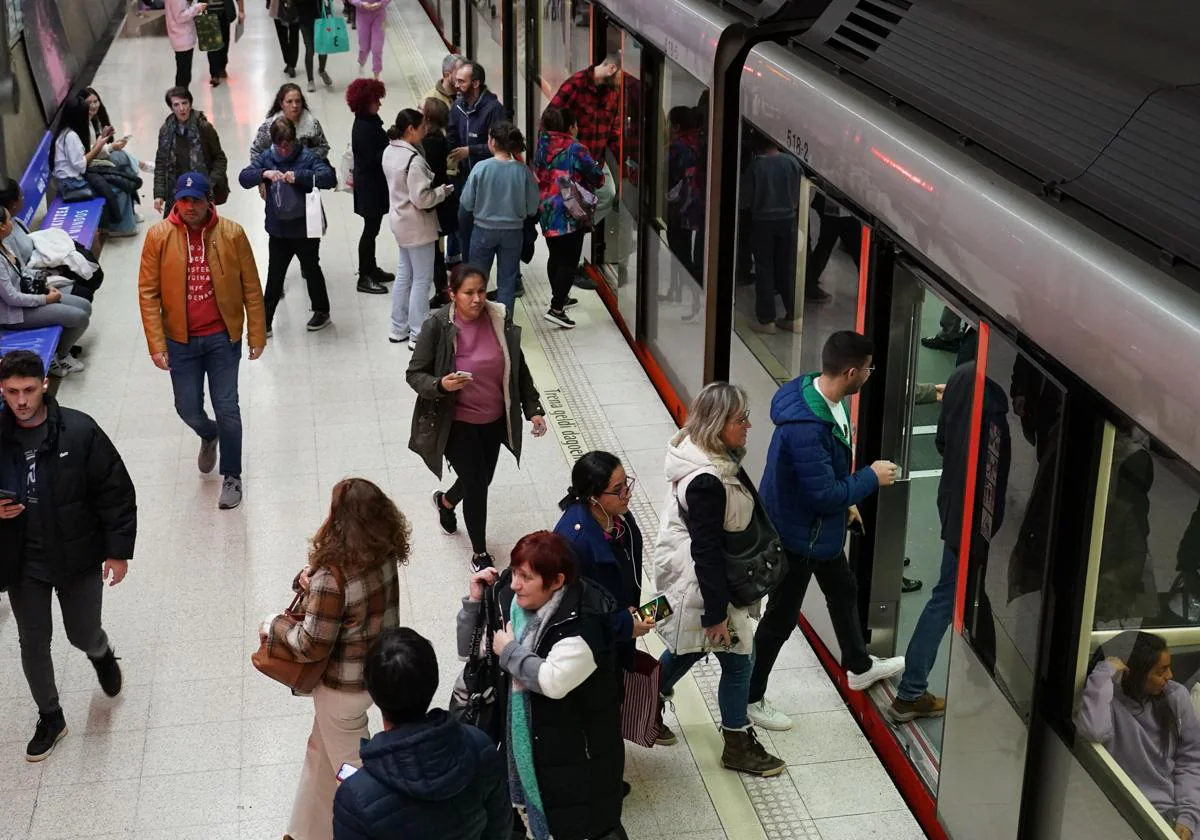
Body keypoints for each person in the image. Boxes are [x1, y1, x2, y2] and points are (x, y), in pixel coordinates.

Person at [746, 331, 905, 733]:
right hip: (799, 538)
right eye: (868, 369)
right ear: (852, 372)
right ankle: (750, 697)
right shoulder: (808, 426)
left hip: (819, 531)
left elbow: (823, 480)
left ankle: (859, 666)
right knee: (780, 620)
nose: (870, 374)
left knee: (843, 590)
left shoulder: (820, 398)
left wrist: (845, 502)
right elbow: (821, 493)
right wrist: (869, 478)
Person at [0, 350, 135, 762]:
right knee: (33, 642)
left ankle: (100, 651)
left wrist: (117, 553)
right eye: (10, 392)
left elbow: (115, 491)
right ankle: (51, 716)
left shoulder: (79, 430)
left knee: (81, 632)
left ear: (44, 384)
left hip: (77, 554)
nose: (20, 401)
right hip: (24, 561)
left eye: (27, 390)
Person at [259, 478, 407, 840]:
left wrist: (273, 626)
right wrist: (310, 583)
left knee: (352, 772)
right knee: (319, 754)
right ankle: (305, 832)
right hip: (376, 673)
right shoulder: (384, 552)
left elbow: (310, 644)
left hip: (341, 691)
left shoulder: (332, 573)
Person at [651, 382, 787, 776]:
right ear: (716, 424)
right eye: (739, 419)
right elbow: (706, 551)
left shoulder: (707, 457)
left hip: (699, 578)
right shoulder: (707, 479)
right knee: (740, 661)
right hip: (706, 584)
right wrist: (714, 613)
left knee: (688, 648)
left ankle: (643, 702)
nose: (748, 425)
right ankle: (737, 745)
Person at [458, 533, 625, 840]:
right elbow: (470, 652)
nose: (514, 584)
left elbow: (552, 680)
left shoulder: (584, 627)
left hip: (576, 754)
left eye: (526, 577)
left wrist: (509, 652)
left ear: (557, 581)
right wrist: (475, 603)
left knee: (577, 822)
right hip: (529, 742)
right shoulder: (511, 602)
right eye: (515, 572)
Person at [138, 172, 266, 510]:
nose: (190, 206)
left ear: (210, 201)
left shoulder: (232, 234)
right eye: (184, 200)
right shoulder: (158, 237)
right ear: (175, 201)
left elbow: (251, 287)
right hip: (180, 341)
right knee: (187, 407)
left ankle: (232, 475)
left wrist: (256, 332)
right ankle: (208, 433)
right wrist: (156, 342)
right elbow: (148, 294)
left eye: (196, 200)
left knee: (228, 407)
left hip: (223, 338)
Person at [888, 362, 1008, 722]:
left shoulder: (961, 376)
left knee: (960, 590)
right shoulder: (995, 403)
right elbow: (995, 472)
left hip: (952, 502)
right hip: (972, 519)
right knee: (947, 596)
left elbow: (942, 441)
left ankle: (980, 671)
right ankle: (911, 691)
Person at [406, 266, 547, 572]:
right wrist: (441, 385)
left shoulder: (498, 319)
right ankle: (480, 553)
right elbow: (415, 373)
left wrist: (533, 408)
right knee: (477, 485)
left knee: (482, 478)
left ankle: (445, 501)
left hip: (494, 419)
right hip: (457, 422)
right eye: (468, 293)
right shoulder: (437, 326)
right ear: (452, 295)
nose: (477, 298)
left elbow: (517, 368)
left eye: (481, 291)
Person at [331, 627, 511, 840]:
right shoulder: (479, 746)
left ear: (372, 691)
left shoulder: (355, 797)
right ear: (433, 680)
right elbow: (499, 830)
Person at [1076, 631, 1200, 840]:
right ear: (1135, 673)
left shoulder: (1176, 696)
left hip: (1176, 809)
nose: (1169, 676)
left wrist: (1187, 817)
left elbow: (1191, 761)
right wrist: (1103, 673)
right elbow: (1093, 730)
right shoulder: (1109, 701)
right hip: (1128, 810)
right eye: (1161, 671)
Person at [239, 118, 337, 334]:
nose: (284, 151)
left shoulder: (306, 157)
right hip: (279, 230)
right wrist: (263, 174)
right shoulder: (266, 158)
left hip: (305, 228)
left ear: (294, 140)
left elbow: (329, 177)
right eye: (280, 146)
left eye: (288, 145)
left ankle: (321, 311)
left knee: (311, 269)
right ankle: (264, 322)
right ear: (273, 143)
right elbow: (243, 178)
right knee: (275, 275)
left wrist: (300, 176)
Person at [381, 109, 453, 348]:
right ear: (410, 129)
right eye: (422, 126)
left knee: (404, 275)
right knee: (422, 279)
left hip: (399, 222)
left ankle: (397, 327)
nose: (425, 130)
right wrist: (442, 192)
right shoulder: (413, 161)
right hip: (418, 226)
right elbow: (422, 199)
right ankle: (418, 333)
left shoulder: (389, 151)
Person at [532, 105, 604, 329]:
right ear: (570, 127)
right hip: (570, 211)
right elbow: (597, 178)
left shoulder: (542, 144)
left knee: (555, 256)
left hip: (546, 208)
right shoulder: (576, 148)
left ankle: (560, 296)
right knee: (569, 262)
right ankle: (556, 309)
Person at [0, 208, 92, 378]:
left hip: (29, 295)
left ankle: (61, 351)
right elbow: (12, 298)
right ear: (1, 226)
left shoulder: (4, 244)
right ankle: (61, 356)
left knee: (84, 306)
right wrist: (45, 299)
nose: (12, 222)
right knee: (79, 317)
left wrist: (45, 285)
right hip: (14, 313)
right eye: (8, 220)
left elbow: (23, 270)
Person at [460, 122, 540, 315]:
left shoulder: (481, 168)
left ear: (492, 142)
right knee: (507, 281)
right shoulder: (523, 172)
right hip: (513, 233)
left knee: (477, 280)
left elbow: (467, 203)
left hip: (483, 231)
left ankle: (476, 320)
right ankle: (504, 325)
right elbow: (532, 208)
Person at [740, 130, 802, 334]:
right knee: (787, 268)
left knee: (764, 269)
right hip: (788, 221)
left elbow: (745, 201)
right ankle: (793, 316)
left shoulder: (756, 167)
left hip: (763, 223)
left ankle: (766, 320)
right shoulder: (792, 163)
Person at [548, 54, 621, 225]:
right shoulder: (575, 86)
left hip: (596, 162)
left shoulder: (612, 94)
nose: (622, 83)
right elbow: (549, 122)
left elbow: (614, 131)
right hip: (573, 163)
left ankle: (583, 225)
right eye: (621, 77)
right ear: (611, 69)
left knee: (607, 195)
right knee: (570, 202)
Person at [51, 96, 138, 237]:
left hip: (75, 178)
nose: (89, 115)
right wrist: (99, 146)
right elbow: (81, 165)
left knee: (119, 177)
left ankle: (123, 221)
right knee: (117, 188)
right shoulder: (71, 136)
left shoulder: (69, 132)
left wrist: (100, 141)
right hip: (72, 184)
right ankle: (117, 227)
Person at [447, 61, 506, 261]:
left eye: (461, 81)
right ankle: (467, 267)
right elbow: (452, 133)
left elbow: (501, 145)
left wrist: (470, 151)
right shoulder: (457, 106)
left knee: (495, 229)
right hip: (465, 178)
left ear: (476, 83)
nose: (456, 85)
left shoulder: (494, 109)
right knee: (464, 224)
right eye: (456, 80)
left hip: (489, 181)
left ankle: (514, 278)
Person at [346, 78, 394, 295]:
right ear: (366, 102)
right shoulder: (365, 127)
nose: (380, 104)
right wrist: (391, 147)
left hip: (372, 186)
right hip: (370, 189)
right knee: (370, 231)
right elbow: (371, 159)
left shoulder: (368, 121)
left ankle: (371, 268)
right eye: (376, 100)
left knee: (372, 230)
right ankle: (364, 275)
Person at [153, 86, 229, 216]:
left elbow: (219, 158)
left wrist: (209, 183)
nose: (181, 108)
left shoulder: (204, 128)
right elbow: (161, 163)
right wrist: (159, 194)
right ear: (171, 107)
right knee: (175, 232)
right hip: (176, 191)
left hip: (200, 191)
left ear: (190, 103)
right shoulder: (166, 131)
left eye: (184, 103)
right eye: (176, 104)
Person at [420, 97, 456, 308]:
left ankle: (441, 288)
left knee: (434, 249)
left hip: (434, 203)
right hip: (444, 199)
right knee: (437, 247)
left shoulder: (427, 144)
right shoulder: (441, 140)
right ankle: (443, 287)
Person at [250, 83, 332, 161]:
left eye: (298, 101)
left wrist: (305, 159)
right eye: (289, 101)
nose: (294, 105)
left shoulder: (312, 125)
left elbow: (323, 147)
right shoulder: (269, 127)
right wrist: (269, 170)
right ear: (281, 104)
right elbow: (255, 152)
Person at [81, 87, 145, 182]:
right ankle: (138, 173)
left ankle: (133, 182)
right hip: (86, 167)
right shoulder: (81, 125)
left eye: (95, 101)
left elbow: (92, 148)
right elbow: (89, 153)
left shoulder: (91, 121)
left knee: (120, 156)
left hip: (91, 161)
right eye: (89, 103)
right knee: (120, 158)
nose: (94, 106)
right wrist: (110, 147)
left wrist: (104, 141)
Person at [166, 0, 207, 89]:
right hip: (182, 37)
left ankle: (182, 96)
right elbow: (180, 17)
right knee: (183, 73)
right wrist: (197, 7)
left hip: (182, 36)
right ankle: (181, 96)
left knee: (184, 72)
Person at [296, 0, 334, 93]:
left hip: (321, 19)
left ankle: (322, 70)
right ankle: (310, 80)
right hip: (304, 20)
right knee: (310, 49)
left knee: (323, 48)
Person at [204, 0, 245, 86]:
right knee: (212, 44)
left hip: (224, 12)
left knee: (224, 41)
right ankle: (214, 74)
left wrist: (241, 11)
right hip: (208, 12)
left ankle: (222, 66)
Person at [349, 0, 389, 80]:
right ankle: (361, 62)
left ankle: (376, 76)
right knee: (364, 46)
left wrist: (381, 3)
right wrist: (361, 4)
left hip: (380, 15)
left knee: (377, 47)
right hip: (362, 16)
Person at [269, 0, 301, 79]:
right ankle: (288, 62)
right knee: (282, 38)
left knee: (293, 36)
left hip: (295, 7)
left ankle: (292, 64)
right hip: (277, 8)